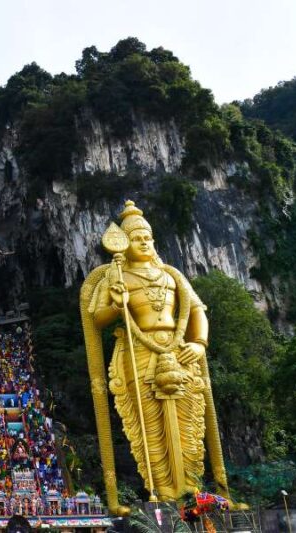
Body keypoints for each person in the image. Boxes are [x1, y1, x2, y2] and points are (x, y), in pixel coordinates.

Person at [81, 200, 229, 512]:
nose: (145, 242)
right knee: (149, 426)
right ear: (123, 244)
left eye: (148, 237)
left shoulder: (171, 274)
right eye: (137, 239)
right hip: (139, 352)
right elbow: (96, 317)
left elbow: (198, 309)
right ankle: (161, 491)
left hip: (179, 351)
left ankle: (193, 489)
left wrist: (199, 342)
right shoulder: (116, 276)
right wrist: (116, 304)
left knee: (189, 418)